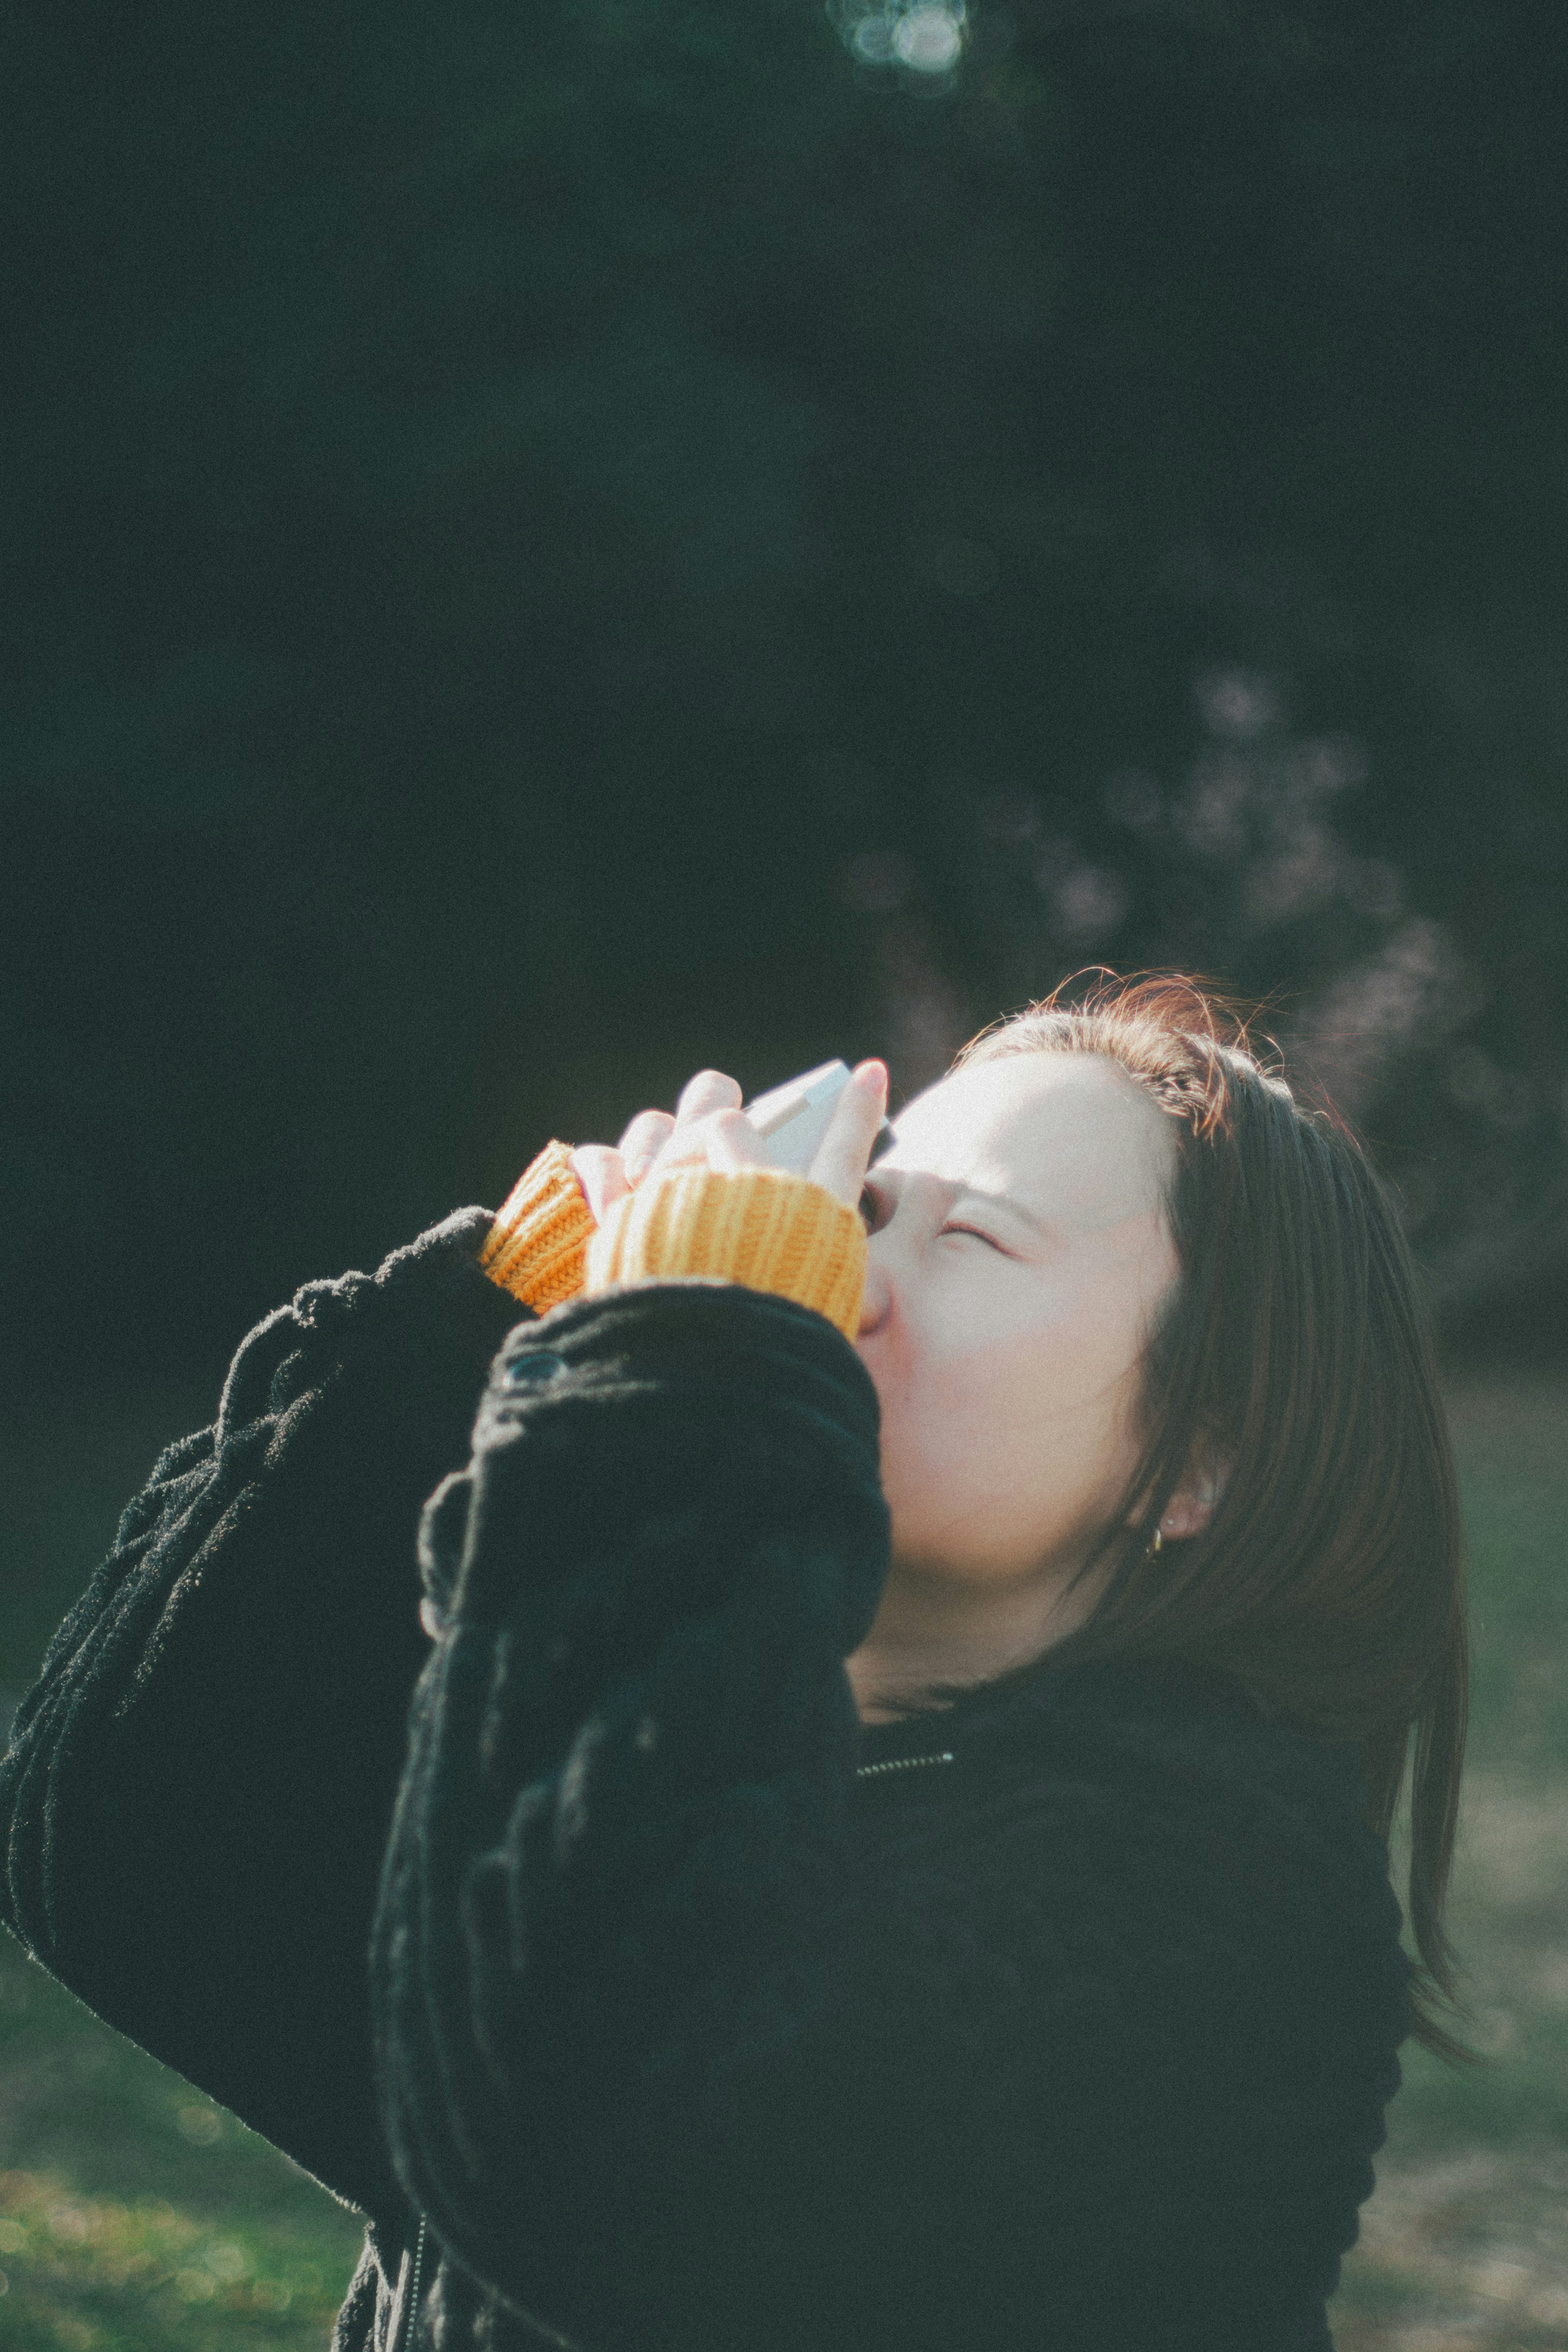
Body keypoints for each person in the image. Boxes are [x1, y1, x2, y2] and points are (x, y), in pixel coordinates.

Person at [0, 973, 1468, 2352]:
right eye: (863, 1196)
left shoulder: (1225, 1905)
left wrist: (690, 1378)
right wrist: (494, 1334)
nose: (831, 1263)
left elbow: (613, 2126)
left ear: (1209, 1454)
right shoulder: (685, 1720)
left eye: (971, 1237)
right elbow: (147, 1861)